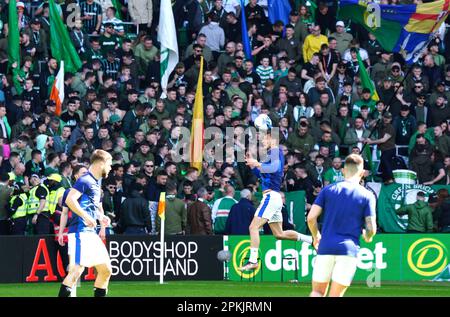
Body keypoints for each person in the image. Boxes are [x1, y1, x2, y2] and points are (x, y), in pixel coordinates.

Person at [239, 128, 312, 271]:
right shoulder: (270, 154)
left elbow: (273, 168)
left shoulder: (275, 151)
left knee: (253, 227)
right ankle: (311, 240)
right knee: (279, 234)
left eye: (264, 139)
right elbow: (264, 172)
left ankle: (253, 261)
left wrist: (257, 163)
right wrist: (252, 164)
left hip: (271, 196)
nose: (262, 141)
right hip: (275, 196)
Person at [307, 154, 377, 297]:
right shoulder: (367, 195)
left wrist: (316, 236)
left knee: (316, 292)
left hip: (325, 246)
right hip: (348, 250)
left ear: (343, 171)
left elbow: (311, 218)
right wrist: (368, 236)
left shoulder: (328, 190)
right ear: (362, 173)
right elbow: (371, 228)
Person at [57, 150, 113, 297]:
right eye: (110, 164)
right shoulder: (85, 180)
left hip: (90, 233)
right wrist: (86, 217)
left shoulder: (94, 183)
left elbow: (90, 208)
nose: (111, 168)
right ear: (101, 163)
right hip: (80, 232)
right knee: (76, 271)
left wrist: (101, 216)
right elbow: (70, 200)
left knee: (106, 270)